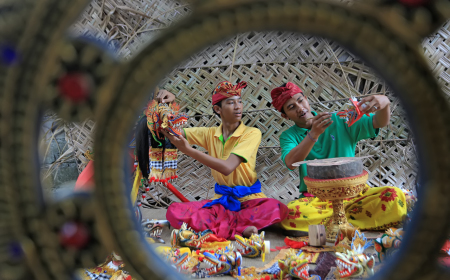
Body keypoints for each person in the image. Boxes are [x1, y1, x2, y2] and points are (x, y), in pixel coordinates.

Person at [270, 82, 407, 233]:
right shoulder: (288, 136)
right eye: (291, 107)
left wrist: (385, 103)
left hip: (354, 196)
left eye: (300, 100)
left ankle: (334, 225)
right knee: (291, 213)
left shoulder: (341, 119)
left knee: (394, 195)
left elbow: (379, 122)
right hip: (317, 201)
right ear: (285, 116)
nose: (300, 108)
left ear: (307, 99)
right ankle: (352, 222)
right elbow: (290, 162)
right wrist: (313, 134)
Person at [160, 81, 288, 239]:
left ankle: (226, 228)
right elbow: (172, 130)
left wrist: (188, 150)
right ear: (217, 109)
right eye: (231, 102)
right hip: (221, 202)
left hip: (250, 201)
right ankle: (241, 229)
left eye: (239, 101)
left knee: (275, 207)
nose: (238, 107)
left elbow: (228, 167)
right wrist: (169, 104)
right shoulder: (209, 133)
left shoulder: (251, 133)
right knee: (174, 211)